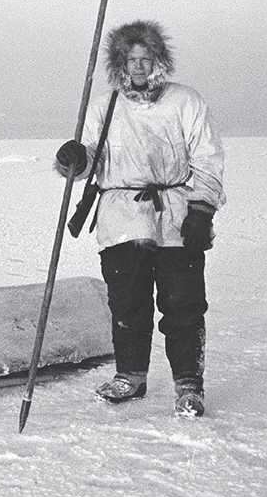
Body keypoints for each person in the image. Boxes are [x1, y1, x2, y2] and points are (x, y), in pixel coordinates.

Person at [55, 20, 225, 416]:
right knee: (128, 303)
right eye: (130, 59)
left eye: (145, 58)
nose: (138, 66)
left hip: (176, 216)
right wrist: (74, 160)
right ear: (120, 63)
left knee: (183, 305)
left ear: (158, 61)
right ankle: (130, 375)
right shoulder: (106, 106)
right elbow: (90, 160)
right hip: (122, 216)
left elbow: (208, 156)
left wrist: (201, 209)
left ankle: (188, 385)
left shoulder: (186, 101)